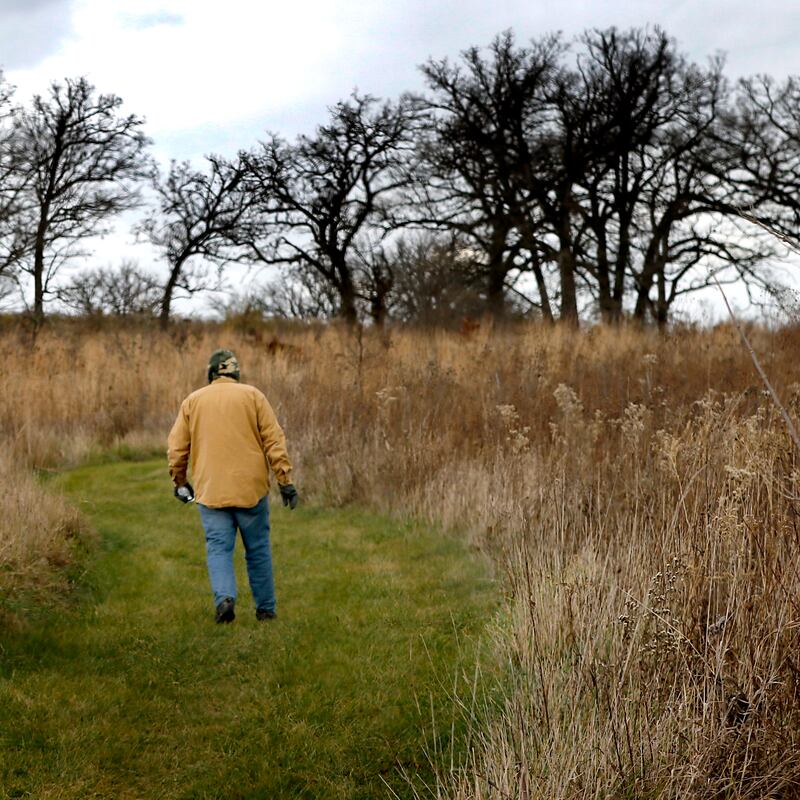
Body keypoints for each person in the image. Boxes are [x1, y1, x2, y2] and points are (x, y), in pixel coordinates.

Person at [167, 349, 298, 624]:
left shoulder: (193, 401)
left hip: (211, 490)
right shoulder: (253, 396)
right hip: (251, 490)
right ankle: (266, 610)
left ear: (211, 373)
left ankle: (225, 599)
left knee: (218, 549)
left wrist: (180, 482)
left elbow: (177, 449)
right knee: (258, 549)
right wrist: (284, 481)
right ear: (236, 372)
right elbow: (274, 441)